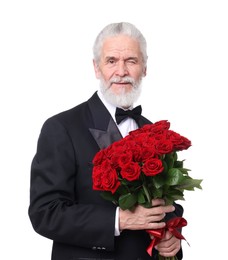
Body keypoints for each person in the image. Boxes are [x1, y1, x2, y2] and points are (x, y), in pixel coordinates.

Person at [28, 22, 184, 260]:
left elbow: (165, 202)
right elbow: (45, 213)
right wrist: (119, 220)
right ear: (96, 68)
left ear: (144, 68)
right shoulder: (61, 128)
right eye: (111, 61)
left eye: (131, 61)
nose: (121, 71)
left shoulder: (154, 131)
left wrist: (170, 234)